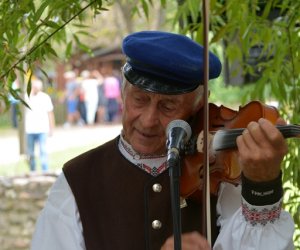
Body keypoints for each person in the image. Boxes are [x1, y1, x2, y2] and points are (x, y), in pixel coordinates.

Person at [31, 31, 294, 249]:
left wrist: (262, 185)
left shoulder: (219, 178)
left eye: (168, 107)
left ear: (199, 104)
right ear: (123, 93)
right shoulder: (78, 181)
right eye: (139, 99)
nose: (148, 120)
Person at [25, 78, 55, 172]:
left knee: (43, 151)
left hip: (42, 129)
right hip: (29, 129)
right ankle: (32, 170)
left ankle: (45, 170)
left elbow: (50, 113)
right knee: (30, 152)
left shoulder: (45, 97)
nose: (36, 88)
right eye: (34, 86)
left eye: (38, 87)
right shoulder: (26, 97)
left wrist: (52, 128)